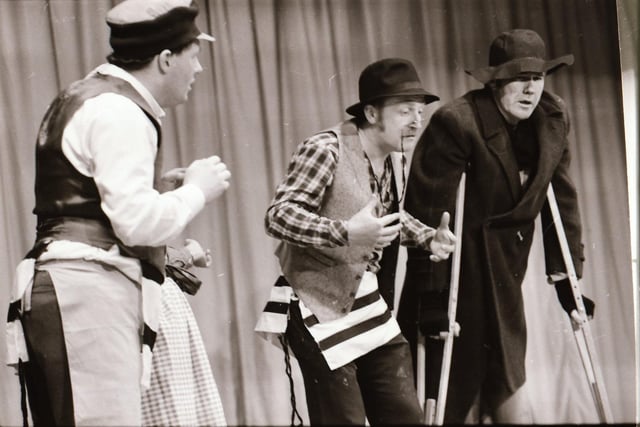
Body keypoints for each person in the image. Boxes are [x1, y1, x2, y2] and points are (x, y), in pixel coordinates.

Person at [5, 0, 230, 425]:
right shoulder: (120, 110)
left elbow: (82, 197)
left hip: (70, 284)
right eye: (194, 55)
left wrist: (158, 191)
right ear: (166, 60)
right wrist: (199, 191)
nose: (199, 69)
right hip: (87, 291)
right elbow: (137, 224)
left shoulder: (90, 96)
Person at [397, 29, 596, 423]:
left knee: (505, 378)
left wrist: (567, 283)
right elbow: (427, 215)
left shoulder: (552, 120)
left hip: (506, 269)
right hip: (459, 268)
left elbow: (563, 200)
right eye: (517, 80)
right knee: (451, 389)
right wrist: (431, 300)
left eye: (537, 78)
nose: (529, 89)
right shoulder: (457, 122)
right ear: (495, 84)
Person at [255, 58, 456, 425]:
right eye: (404, 111)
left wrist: (429, 238)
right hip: (315, 304)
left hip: (364, 302)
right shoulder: (326, 148)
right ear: (371, 113)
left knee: (404, 416)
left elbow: (386, 217)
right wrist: (345, 232)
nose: (416, 120)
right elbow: (278, 215)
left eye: (420, 111)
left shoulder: (393, 160)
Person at [142, 238, 227, 426]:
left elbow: (146, 255)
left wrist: (185, 255)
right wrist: (187, 254)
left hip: (149, 302)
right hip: (141, 299)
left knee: (170, 404)